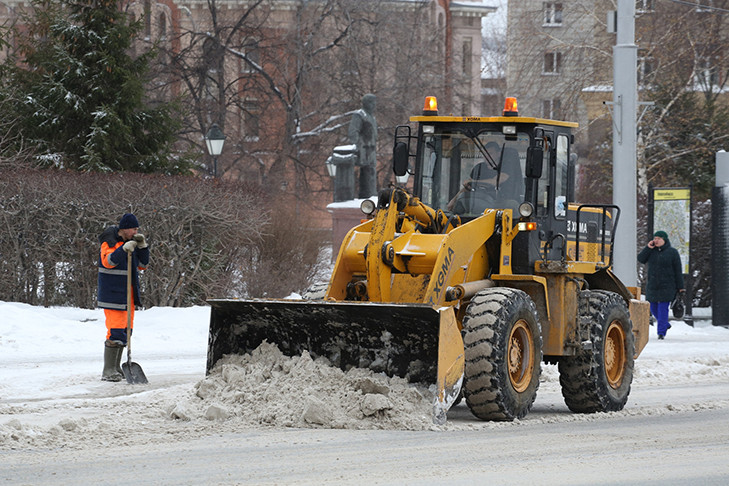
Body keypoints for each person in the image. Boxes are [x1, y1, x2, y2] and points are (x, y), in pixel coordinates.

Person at [97, 213, 149, 381]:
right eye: (133, 229)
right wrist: (123, 249)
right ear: (125, 229)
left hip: (128, 295)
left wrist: (142, 247)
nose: (135, 232)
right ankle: (108, 370)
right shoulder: (109, 241)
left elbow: (143, 266)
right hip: (113, 295)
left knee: (126, 331)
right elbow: (109, 262)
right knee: (116, 330)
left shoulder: (131, 243)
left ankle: (117, 368)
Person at [637, 230, 685, 340]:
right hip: (653, 285)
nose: (656, 240)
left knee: (663, 308)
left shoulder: (672, 252)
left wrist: (680, 287)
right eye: (655, 238)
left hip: (668, 285)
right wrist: (648, 248)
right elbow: (641, 259)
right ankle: (665, 325)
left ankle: (661, 332)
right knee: (653, 308)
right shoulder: (651, 251)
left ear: (664, 240)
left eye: (659, 238)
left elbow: (678, 270)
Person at [348, 93, 377, 198]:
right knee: (366, 172)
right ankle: (366, 195)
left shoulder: (371, 117)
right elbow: (353, 132)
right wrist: (357, 147)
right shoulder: (359, 115)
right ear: (366, 103)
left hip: (371, 150)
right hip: (363, 149)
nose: (374, 105)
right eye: (372, 103)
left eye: (374, 103)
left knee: (371, 172)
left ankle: (371, 194)